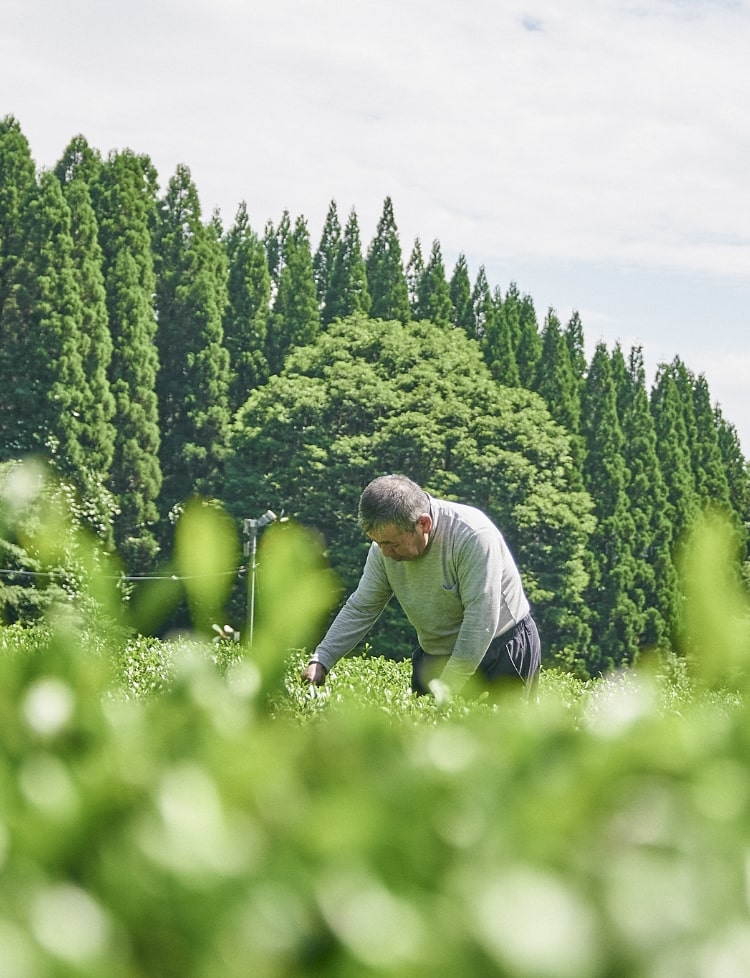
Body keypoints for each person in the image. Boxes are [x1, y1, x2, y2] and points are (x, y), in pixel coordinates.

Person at [302, 474, 541, 701]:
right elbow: (362, 607)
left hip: (499, 651)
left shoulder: (473, 536)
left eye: (391, 544)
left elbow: (481, 620)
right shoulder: (383, 551)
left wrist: (446, 689)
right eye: (377, 543)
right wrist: (322, 659)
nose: (385, 553)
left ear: (423, 524)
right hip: (435, 653)